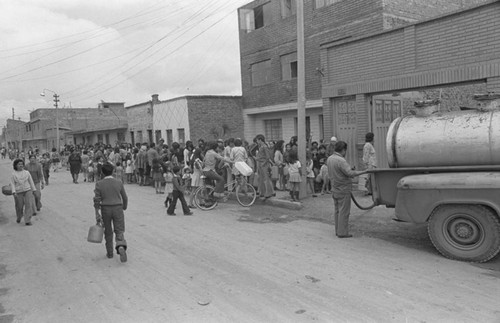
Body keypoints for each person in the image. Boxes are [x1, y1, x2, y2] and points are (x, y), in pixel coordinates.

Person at [327, 141, 367, 238]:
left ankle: (338, 230)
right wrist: (363, 172)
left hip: (335, 188)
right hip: (343, 189)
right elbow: (350, 173)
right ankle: (342, 232)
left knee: (337, 211)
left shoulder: (330, 159)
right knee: (344, 212)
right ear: (343, 150)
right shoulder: (341, 160)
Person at [93, 162, 129, 262]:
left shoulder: (99, 184)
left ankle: (109, 253)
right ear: (113, 171)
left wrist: (97, 213)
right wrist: (124, 207)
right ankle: (121, 245)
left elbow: (96, 200)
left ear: (102, 173)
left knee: (108, 231)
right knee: (119, 229)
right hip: (117, 208)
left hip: (105, 209)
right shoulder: (119, 182)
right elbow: (125, 197)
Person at [11, 159, 37, 225]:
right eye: (19, 164)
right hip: (18, 192)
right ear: (15, 165)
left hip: (27, 190)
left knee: (29, 205)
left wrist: (34, 190)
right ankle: (19, 216)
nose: (21, 165)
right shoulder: (13, 174)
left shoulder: (27, 172)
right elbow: (12, 184)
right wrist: (14, 192)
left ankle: (27, 220)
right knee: (19, 206)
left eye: (22, 164)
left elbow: (31, 181)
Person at [255, 134, 274, 199]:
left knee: (266, 179)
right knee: (261, 179)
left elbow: (268, 157)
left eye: (257, 140)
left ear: (260, 140)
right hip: (260, 163)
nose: (257, 141)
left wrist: (264, 163)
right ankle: (262, 192)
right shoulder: (261, 146)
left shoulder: (265, 147)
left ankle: (268, 193)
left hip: (264, 164)